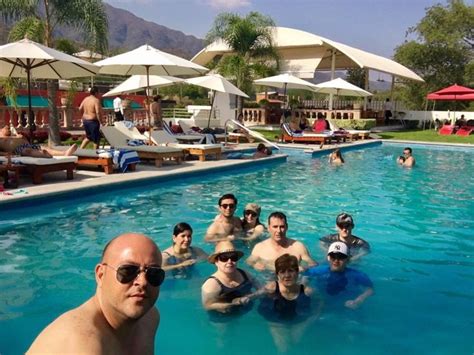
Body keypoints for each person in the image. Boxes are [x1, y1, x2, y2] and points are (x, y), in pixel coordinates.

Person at [27, 233, 164, 354]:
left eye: (153, 274)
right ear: (100, 275)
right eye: (128, 271)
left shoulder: (149, 318)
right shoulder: (81, 342)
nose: (142, 282)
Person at [258, 254, 322, 353]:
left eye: (291, 271)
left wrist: (309, 321)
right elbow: (256, 295)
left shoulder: (308, 291)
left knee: (296, 342)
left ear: (297, 272)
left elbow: (320, 302)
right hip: (275, 320)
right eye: (282, 272)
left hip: (299, 319)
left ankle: (305, 280)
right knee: (284, 349)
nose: (287, 275)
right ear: (277, 275)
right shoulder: (271, 288)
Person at [305, 242, 374, 309]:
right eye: (333, 256)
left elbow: (370, 290)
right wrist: (305, 285)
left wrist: (358, 301)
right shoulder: (318, 271)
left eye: (340, 257)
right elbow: (303, 276)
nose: (336, 260)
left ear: (347, 259)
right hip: (321, 303)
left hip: (345, 306)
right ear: (328, 258)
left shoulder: (357, 275)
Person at [246, 211, 317, 272]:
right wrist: (255, 265)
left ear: (287, 227)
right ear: (268, 228)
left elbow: (313, 264)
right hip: (268, 279)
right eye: (275, 227)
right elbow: (248, 262)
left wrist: (303, 268)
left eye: (282, 227)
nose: (279, 231)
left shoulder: (298, 246)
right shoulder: (260, 247)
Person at [201, 241, 259, 313]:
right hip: (223, 318)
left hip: (247, 311)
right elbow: (207, 306)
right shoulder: (212, 285)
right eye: (224, 258)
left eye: (233, 257)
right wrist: (232, 304)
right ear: (216, 261)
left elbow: (261, 289)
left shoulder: (244, 274)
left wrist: (250, 297)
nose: (229, 261)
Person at [0, 125, 77, 158]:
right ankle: (44, 155)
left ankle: (64, 153)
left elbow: (26, 141)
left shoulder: (14, 135)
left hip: (27, 145)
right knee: (28, 151)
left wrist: (22, 138)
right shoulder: (1, 138)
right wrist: (4, 154)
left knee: (43, 147)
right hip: (17, 149)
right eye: (6, 128)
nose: (8, 128)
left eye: (9, 128)